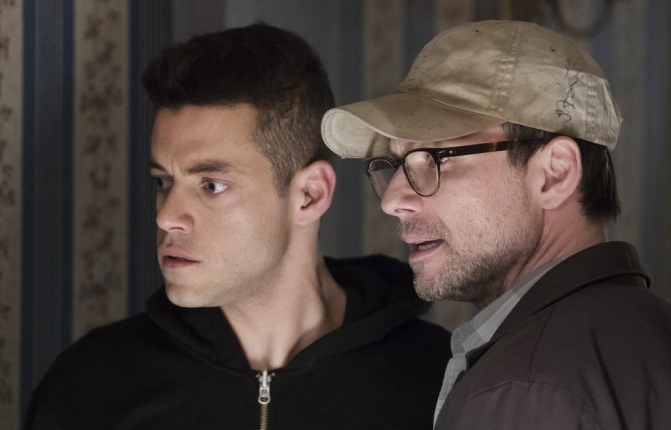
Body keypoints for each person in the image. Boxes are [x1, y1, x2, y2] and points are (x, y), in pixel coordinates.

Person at [24, 23, 450, 429]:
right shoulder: (91, 385)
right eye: (163, 182)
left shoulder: (435, 381)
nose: (166, 216)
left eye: (212, 185)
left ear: (310, 195)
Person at [321, 19, 671, 430]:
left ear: (555, 174)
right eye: (395, 164)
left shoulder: (526, 387)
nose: (393, 201)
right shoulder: (648, 331)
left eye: (432, 158)